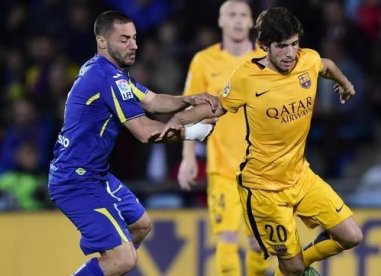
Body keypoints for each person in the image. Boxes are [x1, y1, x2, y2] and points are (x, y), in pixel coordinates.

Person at [158, 7, 363, 276]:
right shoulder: (247, 77)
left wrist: (344, 83)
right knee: (286, 266)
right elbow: (216, 107)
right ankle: (297, 269)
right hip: (264, 189)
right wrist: (179, 120)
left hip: (301, 176)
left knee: (351, 236)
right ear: (265, 45)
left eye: (294, 44)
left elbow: (326, 65)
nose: (290, 54)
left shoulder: (307, 60)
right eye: (281, 47)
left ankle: (302, 267)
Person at [47, 10, 217, 276]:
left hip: (95, 174)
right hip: (75, 181)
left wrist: (190, 99)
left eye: (135, 38)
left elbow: (152, 101)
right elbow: (144, 131)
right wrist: (192, 133)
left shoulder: (110, 72)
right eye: (124, 39)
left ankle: (108, 258)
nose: (134, 45)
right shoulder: (106, 78)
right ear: (102, 42)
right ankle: (111, 255)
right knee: (124, 259)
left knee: (141, 225)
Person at [177, 1, 268, 275]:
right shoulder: (204, 61)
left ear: (252, 22)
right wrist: (188, 157)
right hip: (222, 169)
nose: (238, 21)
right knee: (226, 244)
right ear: (221, 22)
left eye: (243, 15)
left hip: (262, 169)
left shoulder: (265, 61)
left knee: (258, 246)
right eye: (232, 15)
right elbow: (191, 112)